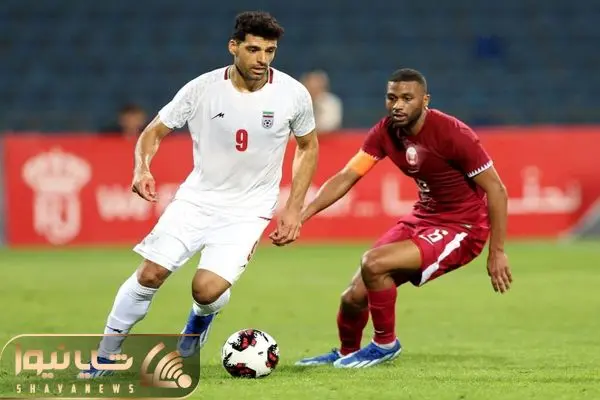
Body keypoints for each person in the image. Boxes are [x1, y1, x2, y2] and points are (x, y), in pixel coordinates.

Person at [79, 11, 318, 378]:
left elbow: (307, 146)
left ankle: (197, 323)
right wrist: (142, 168)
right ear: (233, 46)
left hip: (248, 211)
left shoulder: (293, 94)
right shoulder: (202, 89)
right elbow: (152, 132)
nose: (262, 59)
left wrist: (293, 208)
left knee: (206, 291)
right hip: (196, 200)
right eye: (254, 49)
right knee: (150, 274)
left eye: (270, 51)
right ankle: (106, 354)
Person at [294, 68, 512, 369]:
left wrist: (497, 252)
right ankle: (347, 353)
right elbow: (347, 176)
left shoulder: (453, 134)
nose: (397, 105)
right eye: (392, 97)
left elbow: (497, 190)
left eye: (407, 98)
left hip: (461, 227)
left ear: (425, 101)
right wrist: (302, 215)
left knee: (374, 263)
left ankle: (385, 344)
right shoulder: (385, 132)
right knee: (353, 297)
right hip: (422, 217)